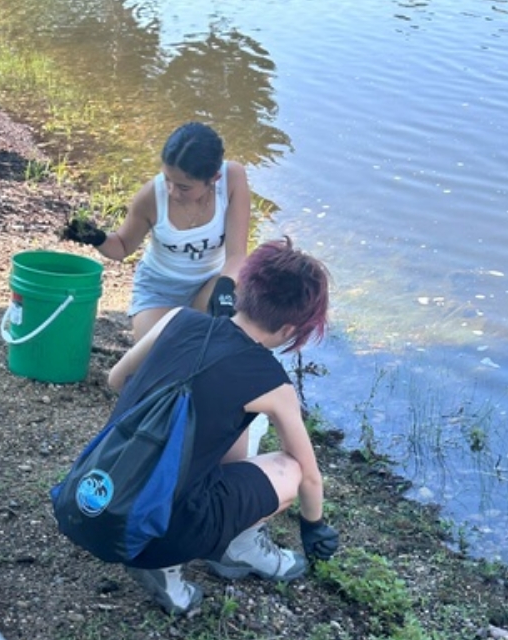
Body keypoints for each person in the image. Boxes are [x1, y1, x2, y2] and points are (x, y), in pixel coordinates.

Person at [92, 236, 340, 616]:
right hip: (153, 534)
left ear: (243, 290)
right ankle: (178, 559)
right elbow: (308, 477)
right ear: (290, 329)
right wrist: (314, 526)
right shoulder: (272, 384)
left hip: (97, 496)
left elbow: (115, 379)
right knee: (289, 468)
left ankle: (213, 542)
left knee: (241, 422)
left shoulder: (178, 319)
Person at [63, 122, 251, 341]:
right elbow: (122, 246)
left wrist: (225, 290)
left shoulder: (232, 178)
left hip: (210, 283)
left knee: (228, 337)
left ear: (213, 179)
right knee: (158, 353)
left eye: (184, 187)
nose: (172, 191)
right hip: (159, 290)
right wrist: (98, 238)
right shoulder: (151, 196)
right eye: (168, 179)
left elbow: (237, 256)